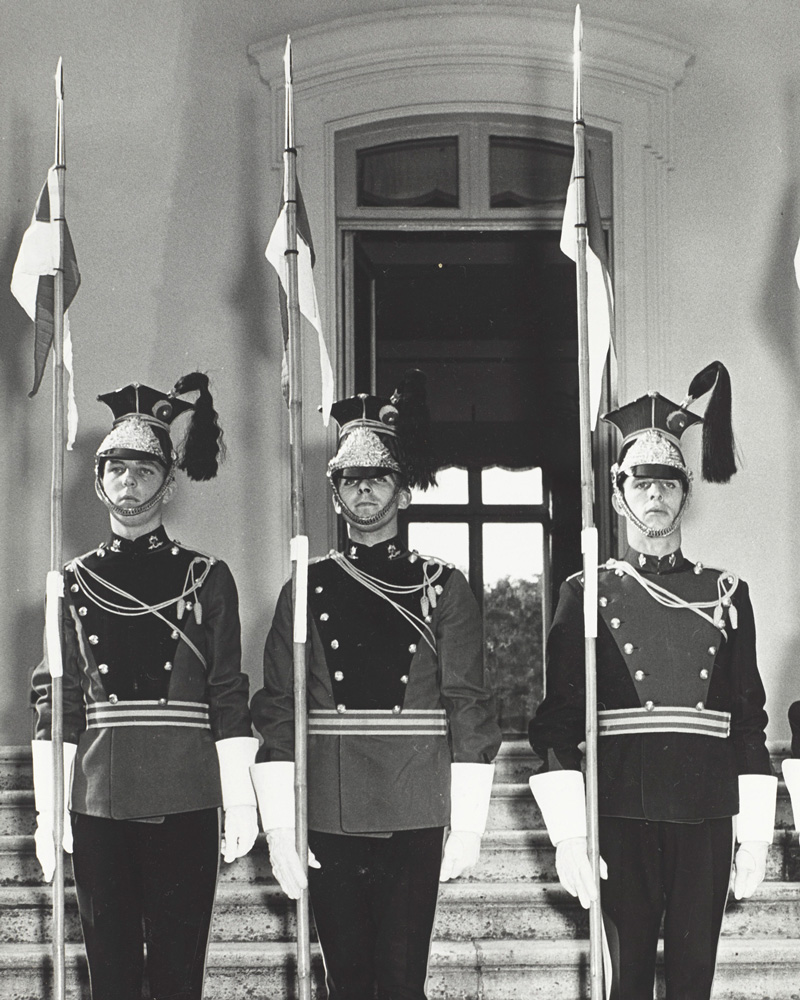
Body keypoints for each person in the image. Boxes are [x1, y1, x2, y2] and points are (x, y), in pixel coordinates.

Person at [528, 361, 777, 1000]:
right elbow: (558, 723)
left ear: (685, 493)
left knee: (694, 983)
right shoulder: (586, 593)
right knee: (629, 980)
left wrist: (753, 836)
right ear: (618, 495)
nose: (656, 495)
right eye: (641, 483)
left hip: (705, 809)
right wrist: (570, 833)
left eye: (669, 482)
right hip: (621, 808)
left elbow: (749, 722)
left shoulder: (726, 593)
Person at [249, 371, 502, 1000]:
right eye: (349, 479)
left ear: (404, 492)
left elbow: (468, 704)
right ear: (334, 495)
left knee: (401, 982)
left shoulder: (444, 586)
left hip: (414, 802)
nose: (363, 489)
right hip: (330, 804)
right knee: (346, 982)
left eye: (379, 476)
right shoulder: (304, 587)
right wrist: (280, 824)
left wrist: (468, 823)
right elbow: (279, 707)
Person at [30, 374, 258, 1000]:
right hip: (99, 797)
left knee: (181, 972)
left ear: (170, 481)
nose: (129, 483)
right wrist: (52, 811)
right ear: (99, 480)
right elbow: (59, 703)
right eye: (116, 470)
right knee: (112, 973)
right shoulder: (69, 583)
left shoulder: (207, 576)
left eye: (144, 470)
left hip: (186, 792)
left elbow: (228, 692)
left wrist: (238, 798)